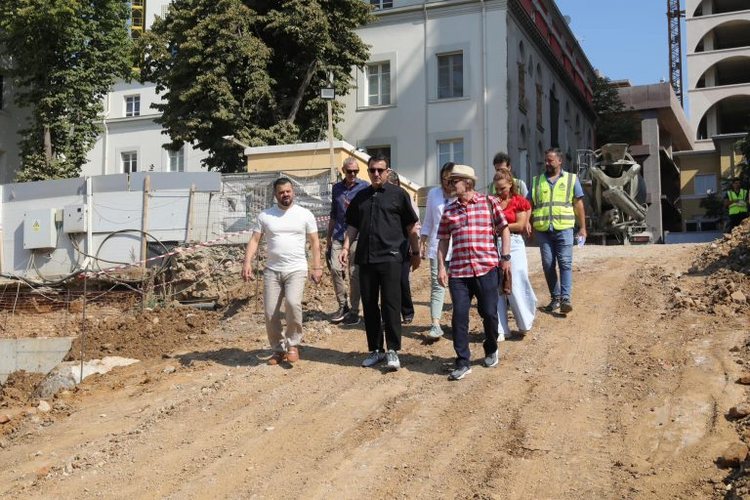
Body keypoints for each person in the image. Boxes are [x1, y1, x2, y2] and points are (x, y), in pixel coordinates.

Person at [341, 154, 420, 371]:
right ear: (368, 172)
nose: (376, 173)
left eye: (380, 170)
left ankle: (393, 350)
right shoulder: (361, 197)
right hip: (366, 258)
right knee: (369, 305)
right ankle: (376, 350)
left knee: (391, 304)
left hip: (392, 257)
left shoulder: (399, 195)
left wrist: (416, 252)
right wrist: (346, 247)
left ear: (387, 171)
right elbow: (352, 226)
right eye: (372, 170)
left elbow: (411, 227)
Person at [437, 165, 511, 381]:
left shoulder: (489, 203)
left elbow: (504, 228)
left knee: (488, 313)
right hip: (459, 271)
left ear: (467, 182)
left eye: (454, 181)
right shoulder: (449, 210)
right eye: (449, 182)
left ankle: (491, 347)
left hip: (486, 267)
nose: (450, 185)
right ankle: (462, 361)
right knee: (459, 316)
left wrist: (505, 258)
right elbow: (443, 241)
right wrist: (442, 267)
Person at [242, 178, 322, 365]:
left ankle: (293, 345)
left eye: (288, 191)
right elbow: (254, 240)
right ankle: (278, 349)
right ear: (275, 195)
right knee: (270, 312)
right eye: (281, 192)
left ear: (292, 191)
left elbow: (314, 242)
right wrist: (247, 262)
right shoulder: (265, 216)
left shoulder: (305, 214)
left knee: (293, 304)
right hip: (272, 271)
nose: (285, 195)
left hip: (296, 269)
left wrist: (317, 267)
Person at [529, 148, 587, 314]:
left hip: (564, 228)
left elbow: (578, 204)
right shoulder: (536, 181)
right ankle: (555, 298)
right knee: (548, 264)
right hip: (543, 230)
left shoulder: (571, 179)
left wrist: (582, 227)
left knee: (565, 263)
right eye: (546, 160)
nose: (547, 163)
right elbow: (529, 205)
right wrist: (528, 224)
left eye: (550, 160)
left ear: (560, 161)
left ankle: (565, 298)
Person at [492, 167, 537, 339]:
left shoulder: (519, 201)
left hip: (515, 243)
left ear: (510, 184)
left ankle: (524, 321)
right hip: (494, 243)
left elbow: (520, 224)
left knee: (517, 280)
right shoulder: (493, 202)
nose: (500, 192)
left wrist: (501, 227)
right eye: (497, 189)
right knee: (496, 286)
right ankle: (501, 329)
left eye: (502, 188)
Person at [326, 157, 369, 325]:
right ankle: (343, 305)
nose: (352, 174)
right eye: (349, 171)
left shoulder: (364, 186)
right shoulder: (336, 188)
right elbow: (333, 214)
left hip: (357, 236)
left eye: (355, 171)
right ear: (343, 171)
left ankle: (354, 310)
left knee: (354, 274)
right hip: (338, 235)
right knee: (336, 270)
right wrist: (329, 238)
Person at [419, 162, 455, 339]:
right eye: (444, 179)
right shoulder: (434, 194)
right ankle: (435, 324)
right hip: (437, 246)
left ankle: (459, 321)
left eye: (451, 180)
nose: (447, 184)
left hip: (458, 248)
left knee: (458, 286)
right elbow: (428, 221)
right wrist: (422, 240)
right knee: (437, 284)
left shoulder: (461, 196)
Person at [386, 170, 419, 324]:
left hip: (403, 245)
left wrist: (415, 249)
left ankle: (407, 311)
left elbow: (413, 225)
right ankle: (389, 313)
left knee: (402, 280)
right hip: (385, 245)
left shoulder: (404, 197)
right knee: (387, 282)